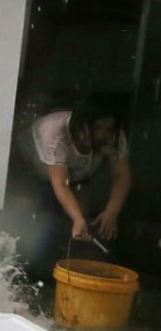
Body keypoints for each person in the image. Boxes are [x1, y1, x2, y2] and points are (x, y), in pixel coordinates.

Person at [16, 95, 132, 244]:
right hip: (29, 165)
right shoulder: (55, 134)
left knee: (81, 223)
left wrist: (112, 211)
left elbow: (121, 176)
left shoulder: (113, 136)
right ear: (80, 125)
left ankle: (67, 252)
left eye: (107, 129)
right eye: (96, 128)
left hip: (76, 171)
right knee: (27, 217)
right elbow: (61, 184)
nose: (102, 135)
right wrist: (77, 218)